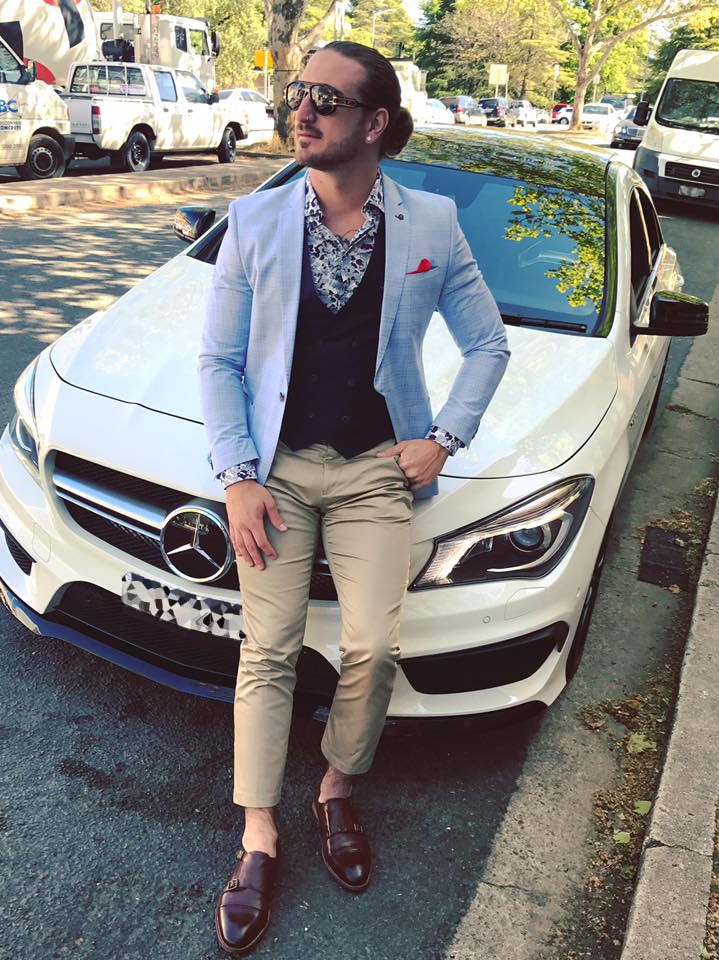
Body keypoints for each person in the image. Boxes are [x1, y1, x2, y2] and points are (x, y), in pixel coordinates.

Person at [199, 39, 509, 956]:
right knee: (271, 646)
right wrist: (237, 478)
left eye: (326, 99)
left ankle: (336, 789)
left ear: (374, 123)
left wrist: (441, 436)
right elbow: (217, 362)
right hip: (279, 469)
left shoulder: (431, 224)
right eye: (298, 93)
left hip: (377, 463)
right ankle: (258, 834)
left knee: (373, 643)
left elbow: (486, 344)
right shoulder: (254, 222)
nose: (303, 111)